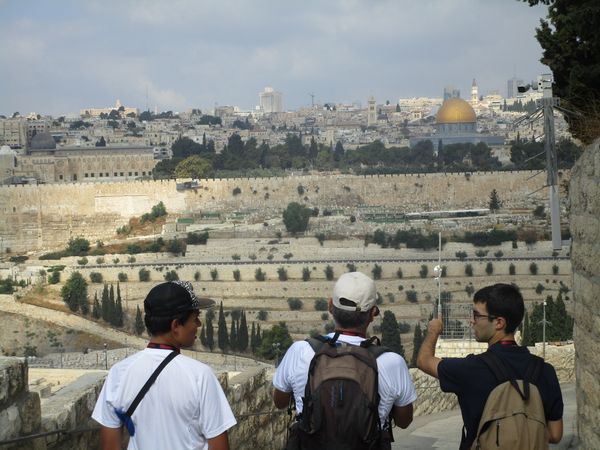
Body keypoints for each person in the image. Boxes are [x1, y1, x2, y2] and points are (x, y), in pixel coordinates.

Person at [273, 272, 416, 446]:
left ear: (330, 306)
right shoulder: (392, 362)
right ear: (373, 314)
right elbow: (404, 421)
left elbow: (280, 402)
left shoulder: (301, 351)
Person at [92, 281, 236, 450]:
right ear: (175, 325)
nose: (198, 324)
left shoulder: (119, 373)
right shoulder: (200, 376)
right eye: (195, 318)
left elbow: (110, 446)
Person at [417, 283, 563, 449]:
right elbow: (555, 434)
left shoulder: (470, 369)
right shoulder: (545, 371)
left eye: (477, 315)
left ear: (499, 322)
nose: (472, 321)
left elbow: (424, 360)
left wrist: (433, 331)